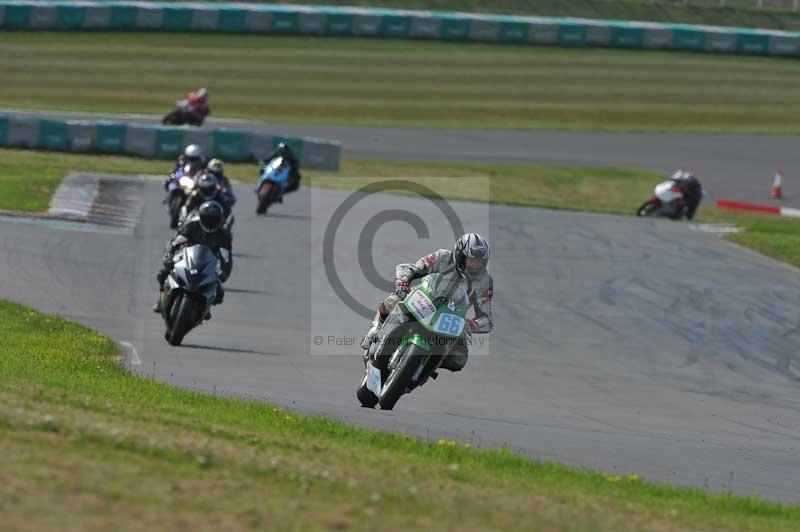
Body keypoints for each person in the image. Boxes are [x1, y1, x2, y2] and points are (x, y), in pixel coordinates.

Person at [361, 233, 494, 372]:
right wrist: (403, 281)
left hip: (450, 320)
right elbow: (409, 268)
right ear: (460, 255)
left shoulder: (485, 282)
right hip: (424, 301)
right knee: (392, 301)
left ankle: (424, 366)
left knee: (458, 359)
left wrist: (470, 325)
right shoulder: (442, 257)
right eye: (472, 260)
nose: (476, 265)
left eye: (480, 261)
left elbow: (487, 320)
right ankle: (375, 329)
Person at [153, 201, 233, 319]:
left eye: (214, 219)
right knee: (163, 273)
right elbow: (174, 242)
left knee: (219, 293)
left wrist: (224, 273)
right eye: (207, 218)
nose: (210, 222)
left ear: (220, 219)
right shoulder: (192, 225)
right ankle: (162, 299)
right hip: (185, 256)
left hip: (208, 263)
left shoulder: (224, 235)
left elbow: (226, 257)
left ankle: (206, 306)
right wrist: (168, 256)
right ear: (201, 217)